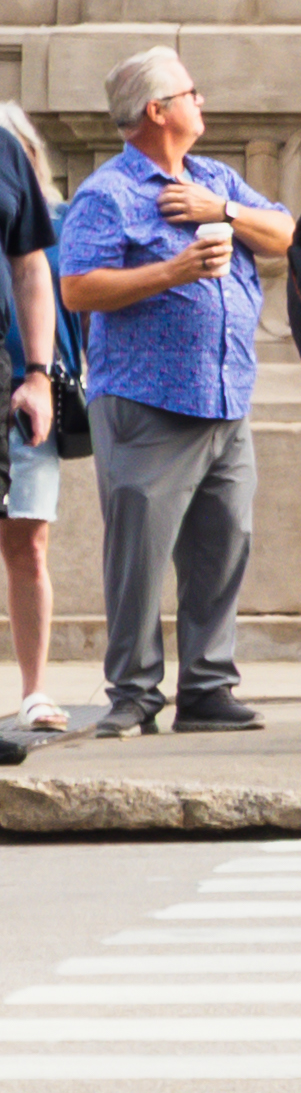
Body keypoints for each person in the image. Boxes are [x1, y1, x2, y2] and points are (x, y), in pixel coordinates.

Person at [54, 48, 291, 739]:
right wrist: (173, 270)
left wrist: (224, 211)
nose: (202, 101)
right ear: (157, 110)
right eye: (191, 92)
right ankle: (133, 693)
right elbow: (78, 287)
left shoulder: (214, 177)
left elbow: (286, 233)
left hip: (224, 397)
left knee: (224, 545)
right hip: (146, 400)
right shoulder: (108, 192)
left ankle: (209, 688)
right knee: (139, 557)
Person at [0, 102, 65, 739]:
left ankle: (32, 690)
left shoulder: (5, 154)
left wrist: (41, 375)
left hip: (13, 383)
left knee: (28, 541)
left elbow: (32, 268)